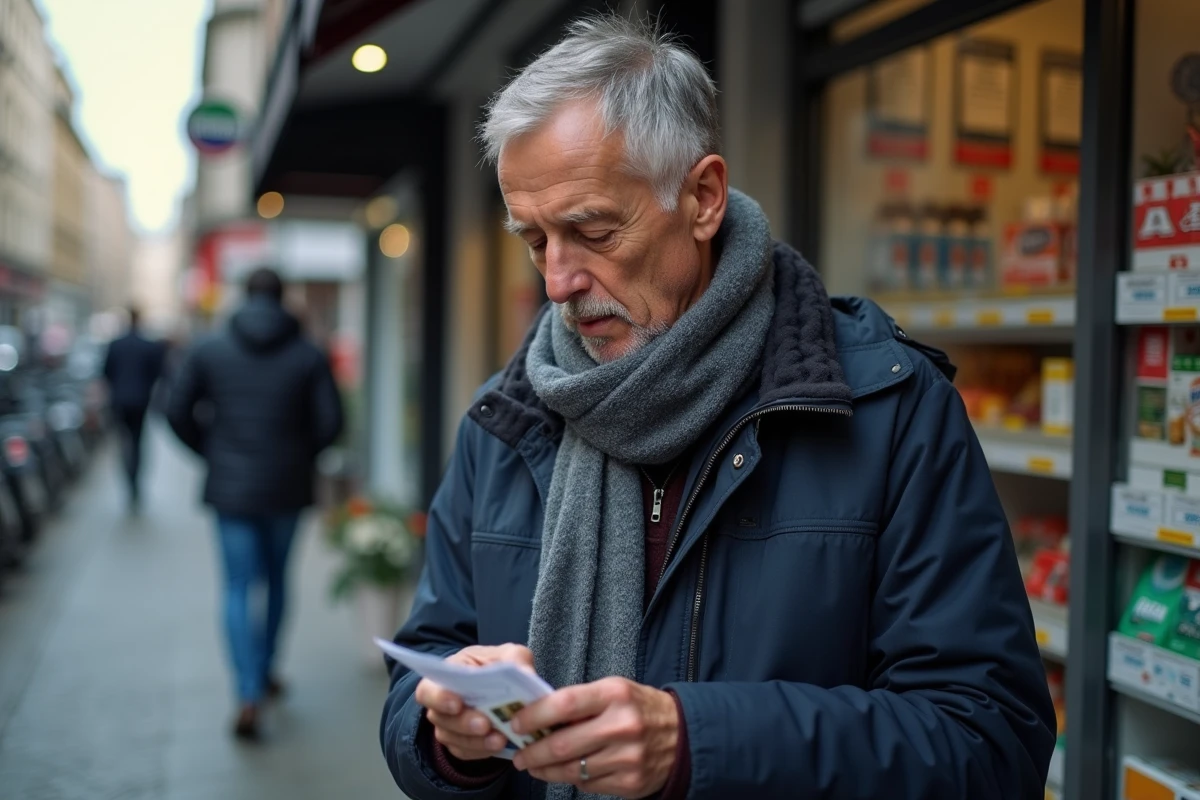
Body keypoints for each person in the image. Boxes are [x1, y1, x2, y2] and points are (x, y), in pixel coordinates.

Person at [380, 15, 1055, 800]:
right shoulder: (508, 418)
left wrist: (698, 744)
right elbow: (423, 662)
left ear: (701, 197)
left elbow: (990, 743)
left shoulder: (890, 411)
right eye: (534, 241)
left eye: (592, 230)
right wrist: (445, 736)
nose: (558, 280)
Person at [168, 267, 343, 741]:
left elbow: (176, 411)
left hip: (230, 487)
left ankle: (246, 692)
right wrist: (296, 456)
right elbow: (332, 423)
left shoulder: (210, 347)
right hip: (286, 486)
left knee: (237, 587)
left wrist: (213, 453)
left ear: (243, 297)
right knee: (277, 581)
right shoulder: (308, 352)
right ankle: (265, 670)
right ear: (282, 298)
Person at [103, 308, 166, 510]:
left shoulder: (116, 344)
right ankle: (135, 481)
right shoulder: (149, 345)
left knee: (124, 442)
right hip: (140, 400)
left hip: (120, 400)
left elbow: (106, 372)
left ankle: (129, 480)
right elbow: (158, 372)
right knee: (138, 442)